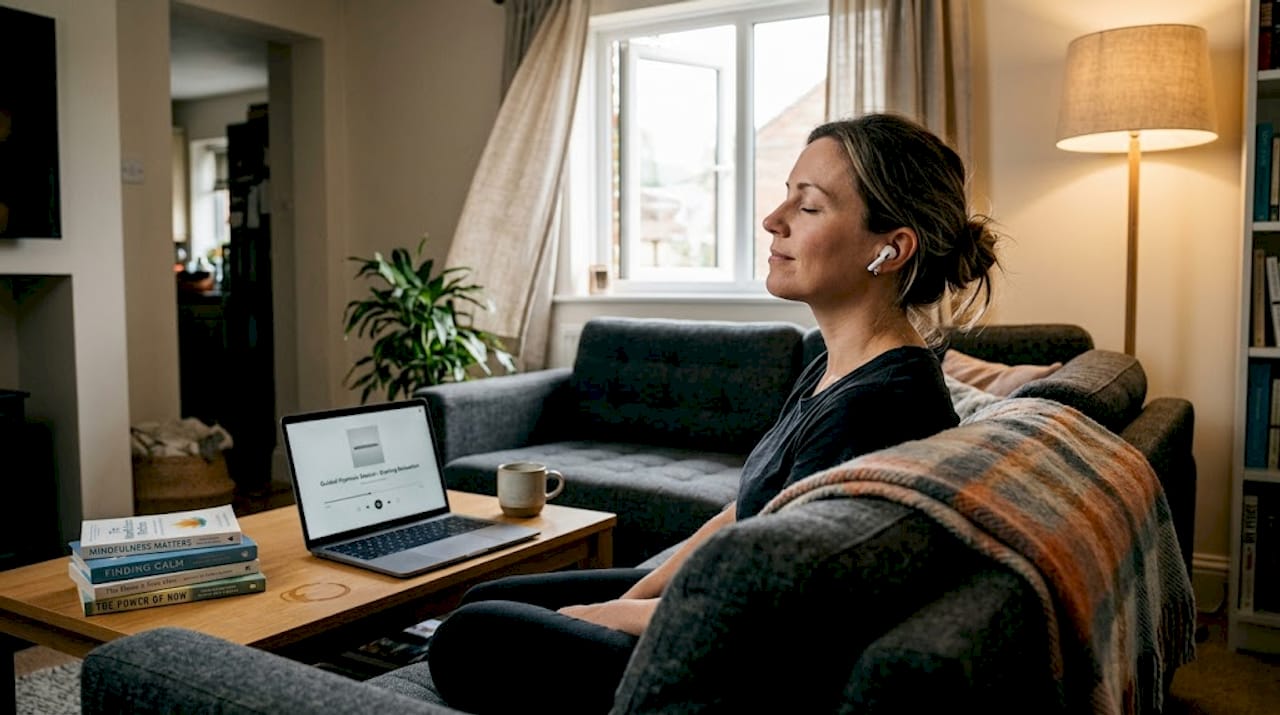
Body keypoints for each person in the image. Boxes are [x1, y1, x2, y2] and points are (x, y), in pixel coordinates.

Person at [425, 113, 1002, 714]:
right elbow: (745, 510)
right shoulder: (831, 365)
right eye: (785, 197)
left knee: (467, 636)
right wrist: (641, 586)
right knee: (489, 594)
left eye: (807, 208)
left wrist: (607, 616)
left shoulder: (879, 408)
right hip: (719, 599)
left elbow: (769, 612)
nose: (772, 220)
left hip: (723, 658)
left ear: (891, 249)